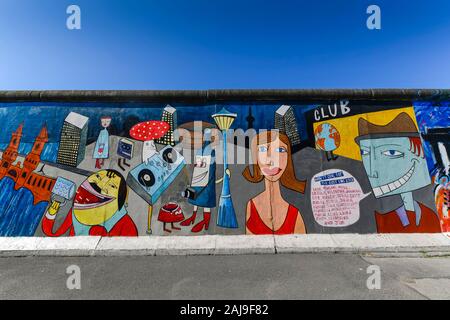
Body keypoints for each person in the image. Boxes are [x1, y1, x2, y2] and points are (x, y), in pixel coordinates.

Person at [355, 112, 441, 233]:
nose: (372, 172)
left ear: (419, 157)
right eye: (365, 153)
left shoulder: (430, 215)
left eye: (391, 152)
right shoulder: (378, 217)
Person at [242, 131, 307, 234]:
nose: (271, 159)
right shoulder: (251, 206)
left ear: (288, 158)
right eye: (262, 149)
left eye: (280, 150)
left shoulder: (294, 215)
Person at [42, 169, 138, 236]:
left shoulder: (126, 226)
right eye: (97, 177)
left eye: (112, 186)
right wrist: (51, 214)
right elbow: (53, 232)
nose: (100, 185)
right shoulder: (79, 208)